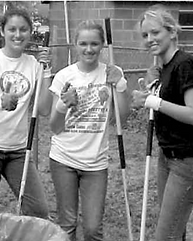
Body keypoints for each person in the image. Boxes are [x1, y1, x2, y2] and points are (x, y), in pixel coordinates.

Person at [0, 8, 52, 218]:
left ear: (30, 32)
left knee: (38, 211)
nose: (18, 34)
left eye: (23, 30)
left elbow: (43, 109)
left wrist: (47, 69)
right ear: (2, 31)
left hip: (19, 149)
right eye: (12, 29)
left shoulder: (34, 65)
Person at [48, 21, 130, 241]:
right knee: (67, 225)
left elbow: (122, 117)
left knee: (93, 229)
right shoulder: (64, 76)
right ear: (75, 44)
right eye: (83, 43)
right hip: (63, 159)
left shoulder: (112, 73)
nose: (89, 49)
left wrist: (120, 85)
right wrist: (62, 105)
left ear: (102, 45)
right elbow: (54, 128)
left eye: (94, 43)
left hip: (96, 162)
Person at [132, 5, 193, 241]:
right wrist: (150, 90)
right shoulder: (164, 67)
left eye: (155, 32)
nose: (150, 39)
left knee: (165, 235)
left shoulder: (184, 64)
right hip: (166, 156)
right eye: (145, 35)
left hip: (185, 161)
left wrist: (153, 102)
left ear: (172, 32)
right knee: (174, 230)